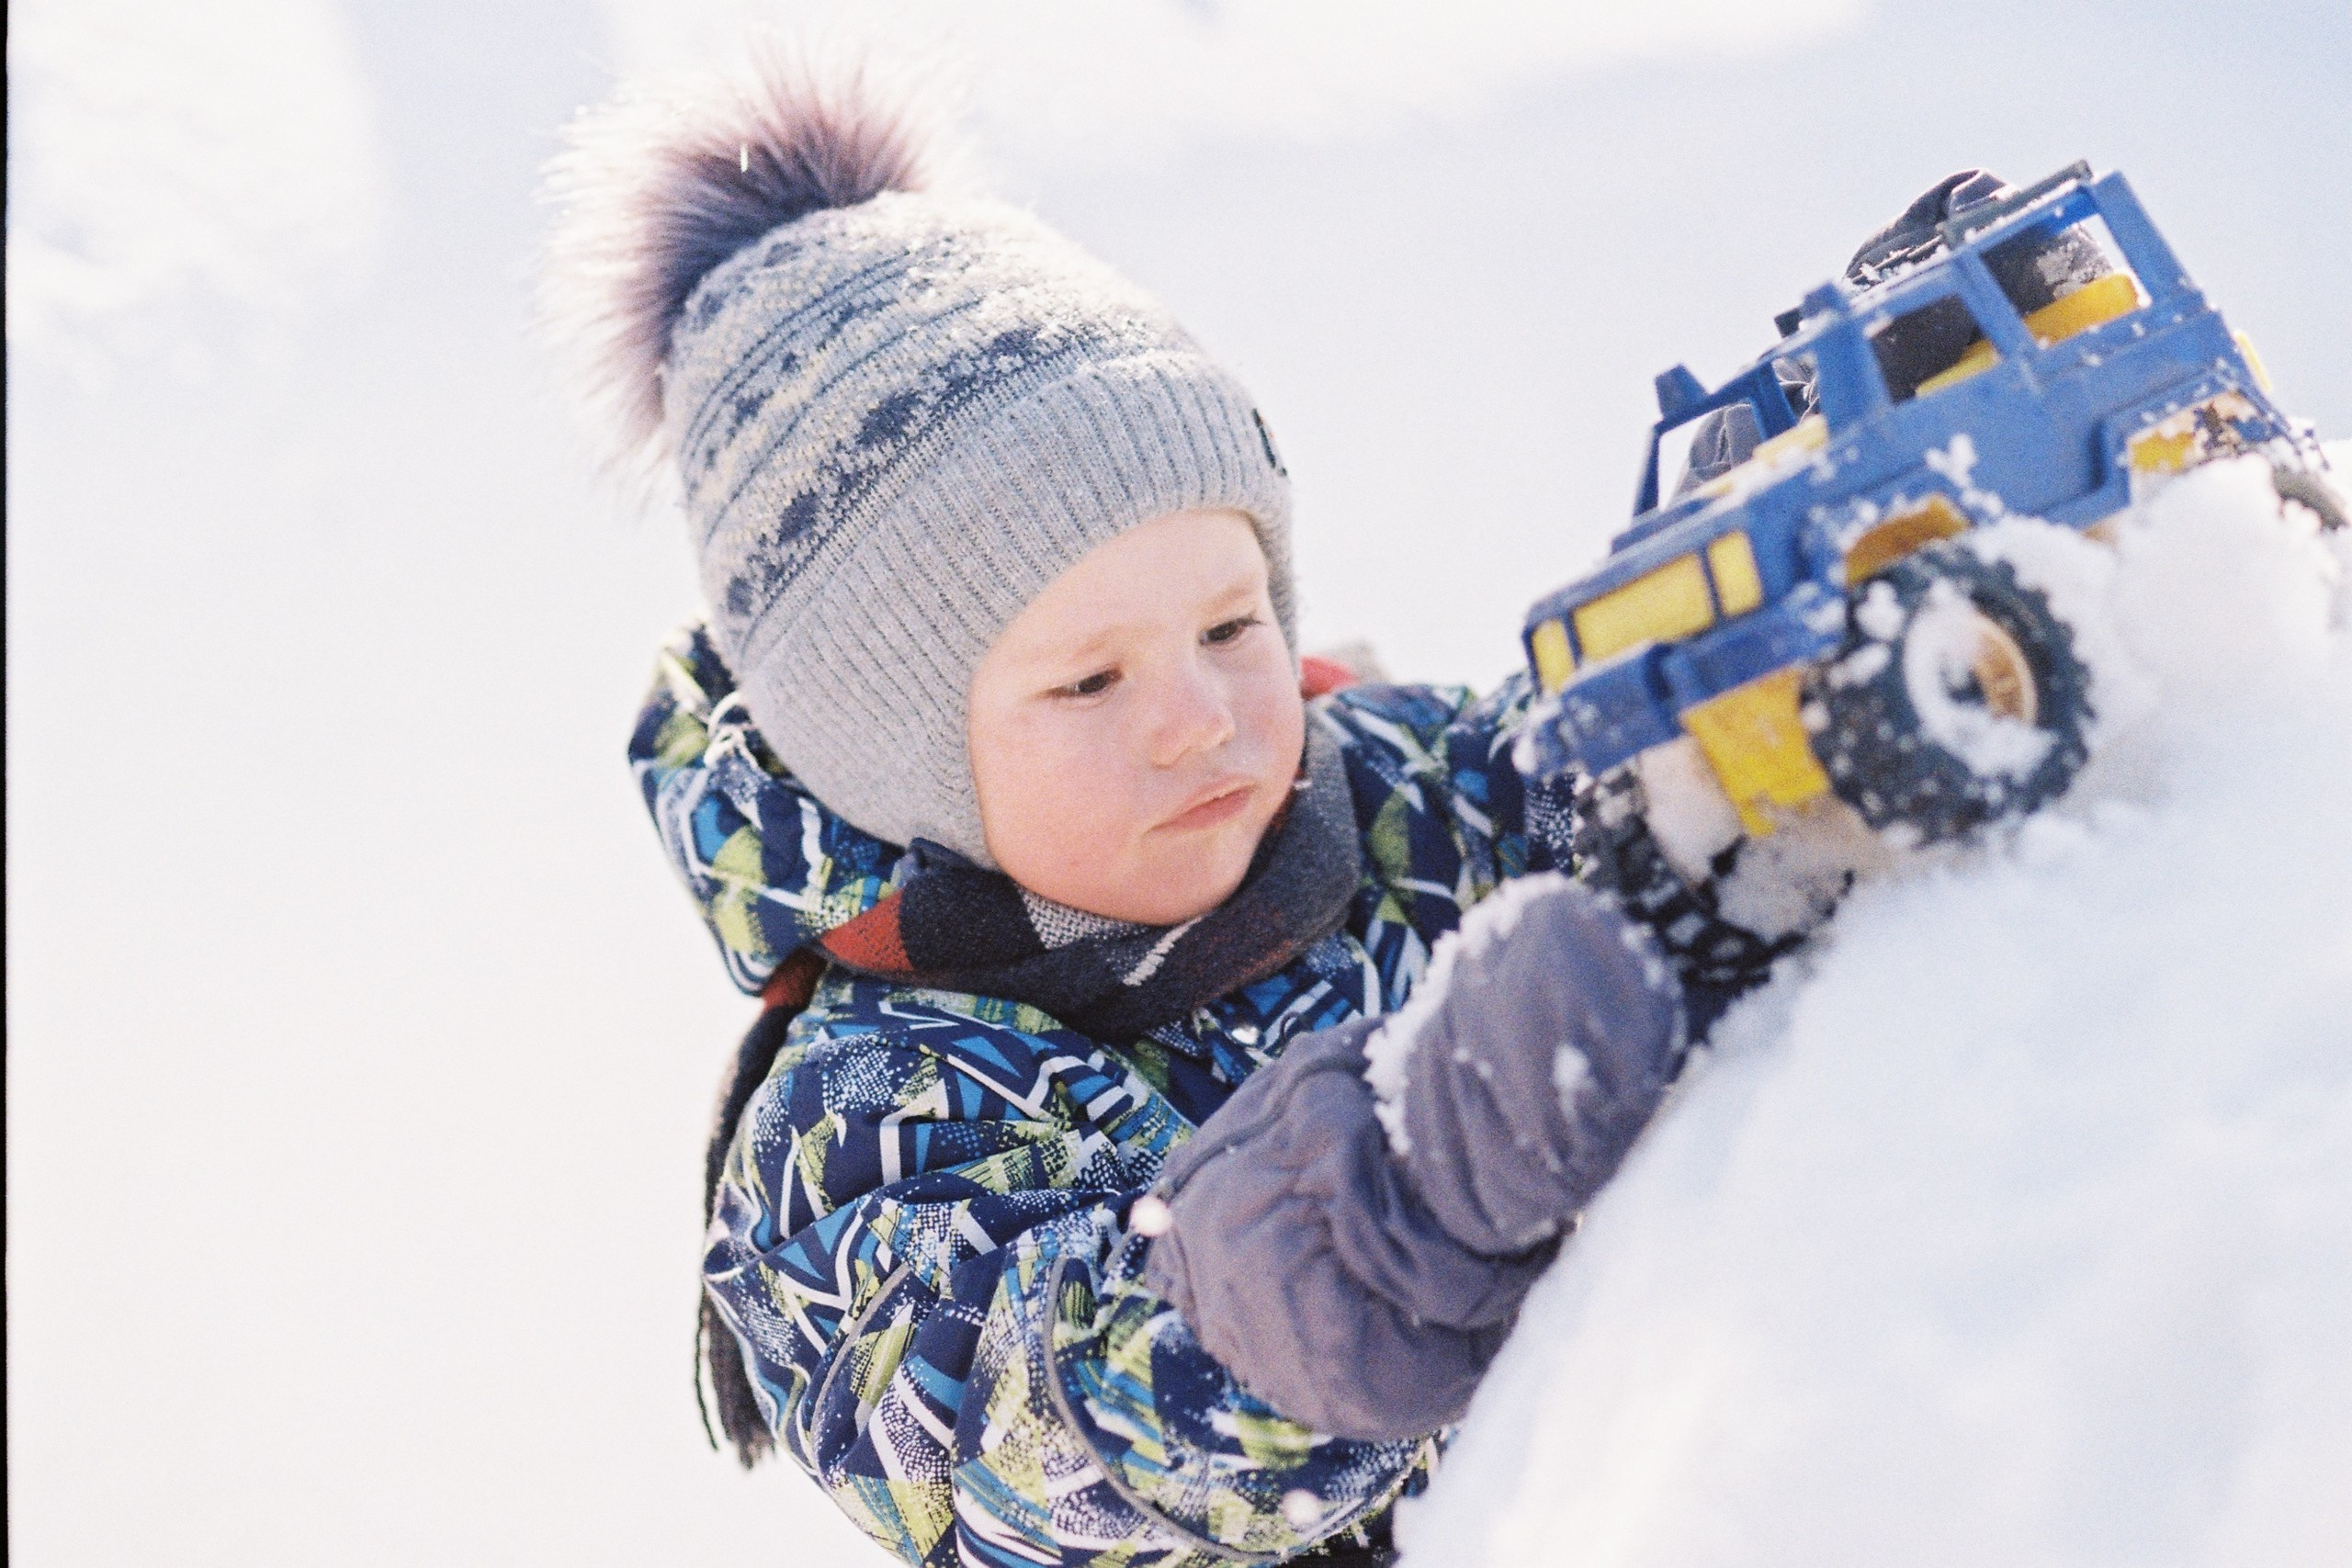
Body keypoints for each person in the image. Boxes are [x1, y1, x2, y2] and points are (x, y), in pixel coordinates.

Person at [551, 53, 1731, 1568]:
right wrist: (1393, 1202)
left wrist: (1724, 660)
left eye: (1234, 627)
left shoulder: (1400, 795)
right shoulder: (864, 1125)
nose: (1203, 717)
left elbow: (1616, 782)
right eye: (1091, 682)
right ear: (895, 757)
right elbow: (1038, 1439)